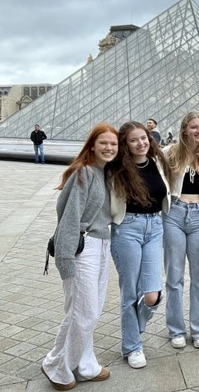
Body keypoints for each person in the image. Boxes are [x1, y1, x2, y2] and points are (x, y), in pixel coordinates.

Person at [41, 123, 118, 390]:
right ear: (92, 145)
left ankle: (84, 365)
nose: (109, 148)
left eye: (113, 144)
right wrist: (65, 259)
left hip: (101, 245)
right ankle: (57, 367)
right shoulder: (85, 172)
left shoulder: (105, 173)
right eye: (104, 143)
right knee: (84, 313)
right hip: (82, 247)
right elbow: (70, 217)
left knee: (85, 311)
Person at [108, 121, 173, 369]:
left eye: (144, 138)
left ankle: (134, 327)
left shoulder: (157, 162)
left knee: (151, 295)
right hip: (128, 229)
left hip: (155, 227)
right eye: (133, 140)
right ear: (125, 144)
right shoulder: (116, 169)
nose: (141, 143)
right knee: (130, 292)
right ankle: (133, 346)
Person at [162, 111, 199, 349]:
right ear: (185, 128)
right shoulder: (169, 153)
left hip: (198, 217)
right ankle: (176, 330)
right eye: (194, 127)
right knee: (174, 277)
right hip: (174, 214)